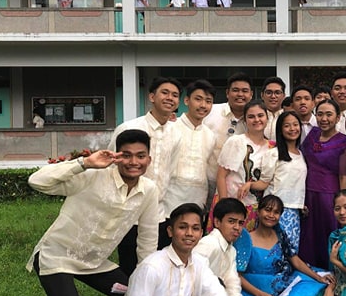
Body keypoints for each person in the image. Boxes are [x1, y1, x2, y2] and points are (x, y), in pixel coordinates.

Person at [27, 129, 159, 296]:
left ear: (149, 158)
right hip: (57, 257)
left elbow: (147, 239)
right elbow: (36, 181)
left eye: (141, 156)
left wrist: (145, 278)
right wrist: (84, 163)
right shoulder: (93, 175)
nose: (133, 162)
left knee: (131, 294)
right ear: (117, 155)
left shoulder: (149, 190)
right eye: (126, 155)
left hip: (95, 264)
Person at [234, 195, 330, 296]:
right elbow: (237, 276)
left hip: (283, 286)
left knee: (311, 290)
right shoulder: (245, 238)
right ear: (258, 211)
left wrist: (317, 277)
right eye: (268, 210)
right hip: (254, 292)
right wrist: (260, 295)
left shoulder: (280, 234)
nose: (271, 215)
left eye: (276, 212)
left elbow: (295, 260)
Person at [109, 77, 183, 275]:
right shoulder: (129, 128)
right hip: (128, 211)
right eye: (165, 93)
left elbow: (170, 171)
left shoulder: (176, 133)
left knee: (157, 267)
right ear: (152, 97)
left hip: (158, 212)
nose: (170, 98)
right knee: (129, 269)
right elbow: (112, 167)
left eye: (175, 95)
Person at [299, 98, 346, 268]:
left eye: (329, 114)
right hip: (308, 194)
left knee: (328, 235)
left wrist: (344, 204)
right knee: (309, 237)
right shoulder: (312, 135)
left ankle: (332, 276)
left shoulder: (343, 141)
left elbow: (343, 175)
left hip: (329, 196)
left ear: (338, 117)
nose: (324, 119)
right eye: (320, 114)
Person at [211, 99, 275, 232]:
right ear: (245, 121)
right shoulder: (236, 142)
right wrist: (225, 207)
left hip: (254, 208)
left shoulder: (272, 147)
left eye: (260, 115)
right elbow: (221, 176)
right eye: (251, 117)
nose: (256, 120)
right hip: (230, 203)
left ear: (267, 118)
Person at [163, 80, 216, 215]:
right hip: (169, 199)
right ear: (186, 100)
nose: (203, 105)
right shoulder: (170, 127)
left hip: (198, 199)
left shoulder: (210, 135)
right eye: (198, 99)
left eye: (208, 101)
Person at [262, 111, 307, 253]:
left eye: (295, 125)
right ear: (280, 129)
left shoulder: (301, 154)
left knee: (291, 252)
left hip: (294, 211)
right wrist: (249, 185)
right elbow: (264, 182)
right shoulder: (273, 154)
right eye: (287, 126)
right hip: (275, 210)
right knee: (273, 251)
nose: (292, 129)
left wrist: (301, 203)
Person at [204, 72, 254, 187]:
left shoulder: (254, 120)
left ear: (251, 94)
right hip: (207, 181)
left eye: (245, 91)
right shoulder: (211, 111)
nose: (240, 94)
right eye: (235, 90)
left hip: (237, 186)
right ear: (227, 93)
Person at [261, 76, 286, 141]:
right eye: (269, 93)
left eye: (277, 93)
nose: (273, 96)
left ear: (284, 96)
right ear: (262, 95)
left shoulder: (288, 118)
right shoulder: (256, 117)